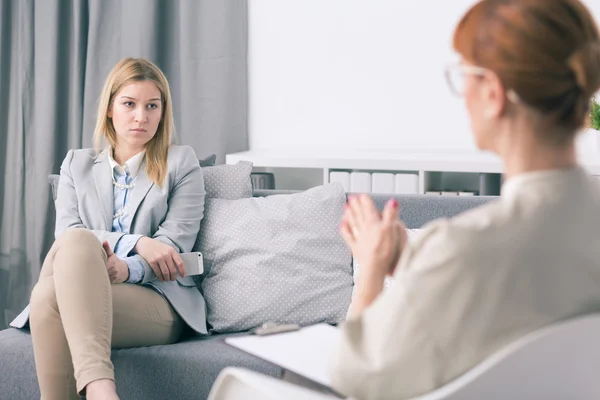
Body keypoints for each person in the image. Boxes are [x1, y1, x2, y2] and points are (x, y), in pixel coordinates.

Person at [332, 0, 600, 399]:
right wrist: (415, 261)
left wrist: (371, 270)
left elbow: (355, 381)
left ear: (493, 93)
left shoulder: (462, 251)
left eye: (464, 75)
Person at [13, 58, 207, 400]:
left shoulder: (182, 162)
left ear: (163, 112)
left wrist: (126, 268)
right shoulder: (77, 163)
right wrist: (138, 243)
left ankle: (99, 388)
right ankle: (102, 388)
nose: (141, 117)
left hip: (157, 299)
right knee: (67, 256)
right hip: (85, 285)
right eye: (129, 104)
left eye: (152, 106)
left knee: (48, 297)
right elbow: (68, 235)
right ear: (109, 109)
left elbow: (172, 247)